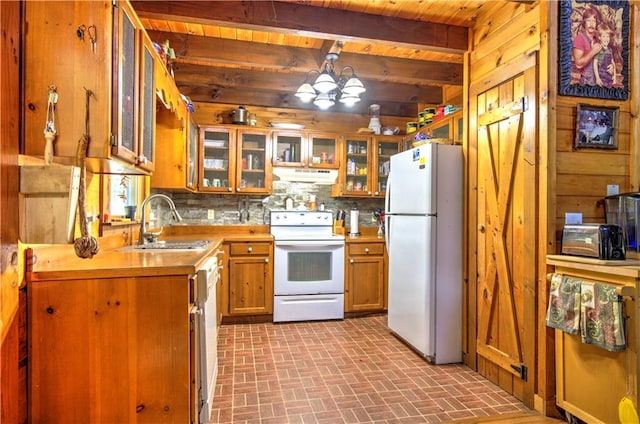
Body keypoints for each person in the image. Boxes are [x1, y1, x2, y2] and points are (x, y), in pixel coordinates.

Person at [572, 8, 602, 86]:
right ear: (584, 23)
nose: (591, 24)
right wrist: (593, 52)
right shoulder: (580, 38)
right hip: (587, 83)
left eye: (594, 21)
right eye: (589, 20)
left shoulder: (598, 40)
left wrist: (611, 67)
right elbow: (578, 64)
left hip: (599, 81)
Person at [593, 23, 615, 88]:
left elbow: (612, 62)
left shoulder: (610, 50)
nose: (606, 39)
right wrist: (597, 78)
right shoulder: (598, 49)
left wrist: (614, 76)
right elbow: (595, 63)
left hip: (609, 75)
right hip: (601, 75)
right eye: (604, 36)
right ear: (599, 37)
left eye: (607, 36)